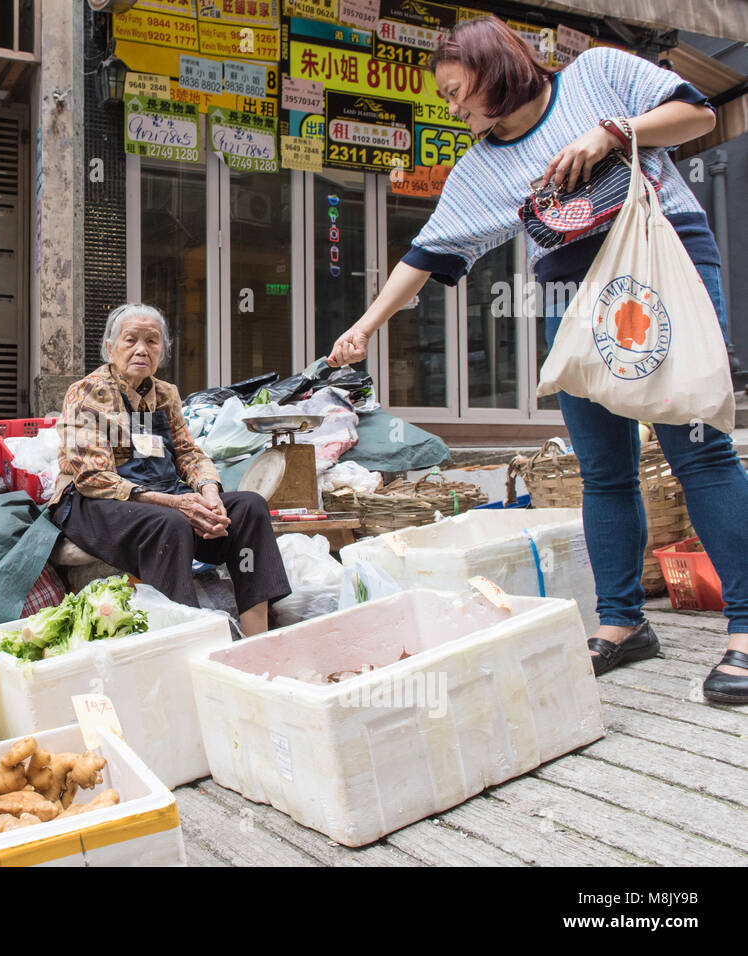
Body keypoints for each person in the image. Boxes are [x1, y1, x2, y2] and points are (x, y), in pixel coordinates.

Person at [327, 16, 748, 704]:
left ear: (496, 67)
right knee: (603, 468)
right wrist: (365, 326)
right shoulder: (482, 169)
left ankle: (747, 630)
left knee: (697, 448)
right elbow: (425, 255)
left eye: (458, 92)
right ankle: (622, 623)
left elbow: (694, 114)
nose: (454, 109)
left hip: (661, 264)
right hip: (570, 292)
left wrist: (613, 132)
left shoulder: (600, 76)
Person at [49, 303, 291, 635]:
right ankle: (183, 638)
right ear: (109, 347)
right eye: (130, 339)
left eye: (152, 341)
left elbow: (189, 453)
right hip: (95, 503)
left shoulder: (165, 394)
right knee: (173, 522)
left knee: (249, 507)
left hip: (160, 494)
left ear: (162, 350)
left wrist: (209, 494)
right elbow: (93, 477)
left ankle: (256, 637)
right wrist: (178, 504)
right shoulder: (88, 393)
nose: (141, 349)